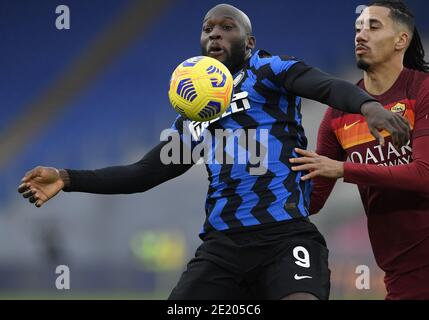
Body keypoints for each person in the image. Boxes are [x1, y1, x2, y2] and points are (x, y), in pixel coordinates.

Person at [18, 4, 410, 300]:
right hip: (222, 248)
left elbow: (326, 87)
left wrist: (368, 106)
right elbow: (144, 173)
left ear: (250, 42)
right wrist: (67, 178)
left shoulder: (270, 70)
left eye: (227, 27)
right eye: (208, 29)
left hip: (285, 237)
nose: (215, 35)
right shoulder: (193, 115)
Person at [290, 0, 429, 299]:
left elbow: (424, 175)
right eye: (358, 28)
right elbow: (312, 201)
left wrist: (343, 169)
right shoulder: (338, 115)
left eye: (373, 27)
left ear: (401, 40)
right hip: (401, 274)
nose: (360, 35)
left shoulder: (423, 91)